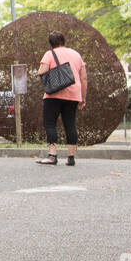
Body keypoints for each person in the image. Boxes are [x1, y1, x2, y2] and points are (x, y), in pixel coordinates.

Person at [35, 30, 88, 166]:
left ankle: (52, 155)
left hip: (53, 94)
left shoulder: (49, 54)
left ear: (51, 43)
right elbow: (84, 77)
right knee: (70, 124)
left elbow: (42, 72)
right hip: (74, 93)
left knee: (50, 123)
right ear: (64, 41)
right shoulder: (76, 54)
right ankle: (71, 158)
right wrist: (83, 97)